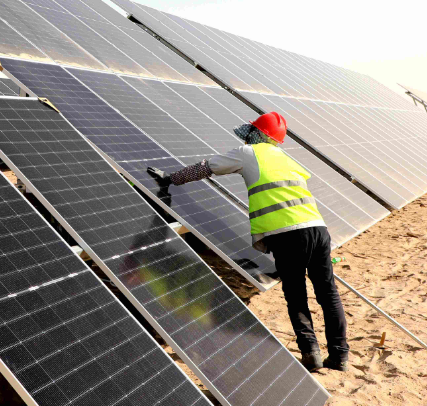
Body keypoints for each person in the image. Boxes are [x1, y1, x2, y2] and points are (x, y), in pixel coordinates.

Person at [149, 112, 349, 372]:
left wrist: (171, 179)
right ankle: (340, 356)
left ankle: (311, 352)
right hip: (318, 230)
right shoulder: (286, 158)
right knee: (328, 293)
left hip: (287, 234)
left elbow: (206, 167)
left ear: (258, 134)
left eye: (252, 132)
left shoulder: (248, 153)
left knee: (296, 295)